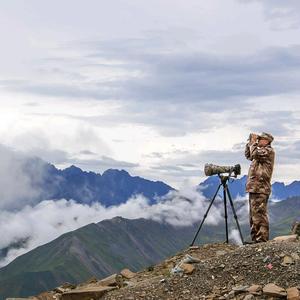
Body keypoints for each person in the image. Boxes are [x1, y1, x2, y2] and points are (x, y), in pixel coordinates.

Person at [245, 132, 275, 243]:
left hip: (261, 188)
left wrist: (253, 142)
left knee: (260, 216)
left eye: (260, 139)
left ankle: (262, 241)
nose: (258, 140)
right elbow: (248, 155)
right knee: (253, 216)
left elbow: (254, 154)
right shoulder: (258, 151)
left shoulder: (268, 151)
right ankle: (255, 240)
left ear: (267, 141)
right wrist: (249, 142)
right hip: (254, 188)